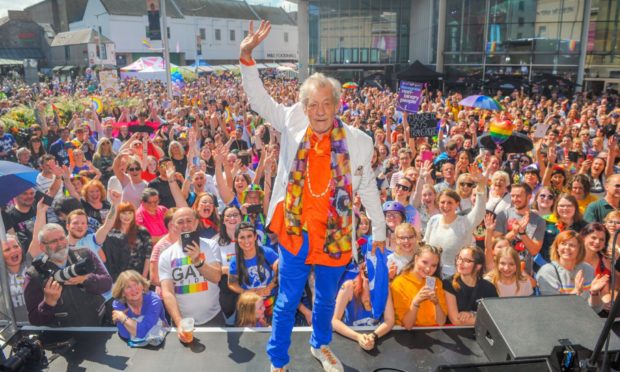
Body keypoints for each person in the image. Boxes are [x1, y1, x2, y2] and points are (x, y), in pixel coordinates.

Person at [240, 20, 385, 372]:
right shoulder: (291, 120)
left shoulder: (359, 141)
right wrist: (246, 57)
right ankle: (278, 361)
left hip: (334, 237)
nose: (319, 111)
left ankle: (321, 346)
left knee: (324, 302)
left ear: (336, 104)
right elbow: (258, 100)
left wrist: (379, 231)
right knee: (287, 301)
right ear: (303, 106)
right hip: (296, 233)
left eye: (326, 103)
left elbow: (366, 187)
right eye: (312, 104)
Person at [23, 223, 112, 326]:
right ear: (43, 247)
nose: (60, 243)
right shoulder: (34, 274)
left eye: (62, 238)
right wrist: (48, 303)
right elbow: (34, 320)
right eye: (53, 241)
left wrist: (86, 279)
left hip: (98, 328)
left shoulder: (84, 254)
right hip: (64, 338)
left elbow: (107, 283)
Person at [158, 207, 224, 336]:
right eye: (180, 222)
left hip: (213, 318)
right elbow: (168, 293)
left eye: (189, 220)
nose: (185, 225)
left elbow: (216, 277)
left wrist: (197, 260)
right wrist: (179, 322)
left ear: (196, 223)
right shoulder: (166, 255)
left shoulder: (211, 245)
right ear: (174, 225)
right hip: (184, 321)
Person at [424, 165, 487, 277]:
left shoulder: (465, 222)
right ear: (438, 203)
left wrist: (481, 183)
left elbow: (480, 211)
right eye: (442, 202)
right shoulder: (434, 220)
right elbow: (426, 245)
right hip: (433, 274)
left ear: (457, 204)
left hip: (457, 276)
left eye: (450, 202)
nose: (446, 206)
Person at [536, 230, 607, 311]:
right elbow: (552, 307)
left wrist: (594, 293)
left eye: (572, 245)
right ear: (557, 248)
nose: (567, 248)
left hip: (585, 319)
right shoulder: (547, 271)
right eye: (563, 244)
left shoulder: (588, 269)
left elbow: (596, 310)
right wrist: (576, 291)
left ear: (580, 249)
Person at [332, 261, 395, 350]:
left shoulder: (385, 289)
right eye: (368, 274)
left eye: (376, 276)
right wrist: (358, 337)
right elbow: (334, 320)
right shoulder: (348, 287)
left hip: (377, 337)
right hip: (350, 337)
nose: (371, 280)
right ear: (361, 273)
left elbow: (390, 320)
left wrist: (374, 336)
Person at [228, 222, 278, 318]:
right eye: (242, 237)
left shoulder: (267, 252)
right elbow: (232, 283)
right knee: (250, 332)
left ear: (255, 236)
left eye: (249, 236)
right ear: (237, 240)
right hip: (249, 305)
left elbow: (281, 271)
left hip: (270, 302)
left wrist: (270, 287)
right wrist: (247, 292)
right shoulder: (235, 260)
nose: (246, 241)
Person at [390, 244, 447, 329]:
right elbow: (407, 326)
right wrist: (416, 302)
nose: (428, 269)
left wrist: (436, 303)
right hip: (409, 336)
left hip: (435, 333)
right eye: (424, 262)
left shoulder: (437, 283)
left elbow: (441, 322)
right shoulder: (399, 283)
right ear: (416, 259)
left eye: (433, 265)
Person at [494, 183, 546, 275]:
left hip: (525, 273)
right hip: (502, 270)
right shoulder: (503, 215)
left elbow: (534, 251)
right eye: (512, 196)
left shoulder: (539, 221)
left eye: (518, 196)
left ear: (529, 197)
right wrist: (513, 232)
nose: (514, 199)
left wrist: (522, 233)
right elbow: (496, 244)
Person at [111, 270, 168, 347]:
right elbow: (125, 334)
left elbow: (142, 332)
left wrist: (123, 317)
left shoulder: (154, 300)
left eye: (136, 284)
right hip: (132, 345)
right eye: (128, 287)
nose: (134, 289)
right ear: (123, 292)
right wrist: (138, 328)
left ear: (143, 286)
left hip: (159, 341)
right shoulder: (119, 304)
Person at [443, 246, 498, 326]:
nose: (460, 262)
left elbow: (496, 316)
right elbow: (456, 320)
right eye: (459, 258)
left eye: (466, 261)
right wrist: (486, 320)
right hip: (456, 335)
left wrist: (473, 314)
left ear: (478, 266)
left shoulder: (489, 288)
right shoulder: (448, 283)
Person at [102, 202, 152, 281]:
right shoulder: (111, 234)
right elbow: (108, 259)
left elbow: (148, 257)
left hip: (138, 276)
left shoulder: (142, 232)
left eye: (130, 213)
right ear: (118, 214)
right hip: (118, 278)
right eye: (124, 213)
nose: (127, 216)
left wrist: (144, 278)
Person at [2, 234, 31, 322]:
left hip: (37, 326)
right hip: (12, 331)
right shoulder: (1, 274)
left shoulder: (29, 263)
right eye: (7, 249)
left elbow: (38, 239)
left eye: (15, 246)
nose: (13, 251)